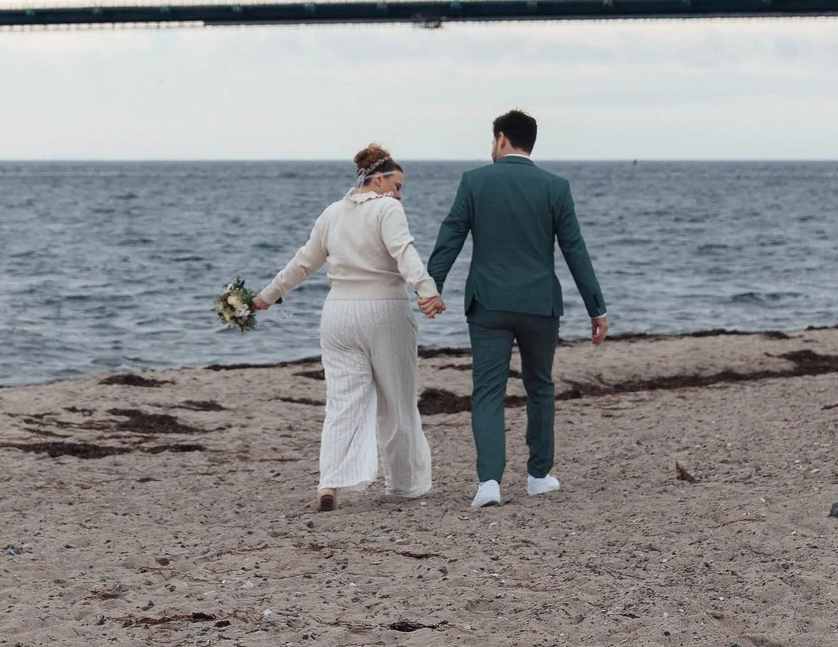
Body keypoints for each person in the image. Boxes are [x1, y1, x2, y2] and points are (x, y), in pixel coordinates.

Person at [426, 109, 609, 508]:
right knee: (540, 386)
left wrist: (430, 287)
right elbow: (574, 250)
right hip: (540, 305)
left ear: (502, 138)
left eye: (492, 141)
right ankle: (538, 477)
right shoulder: (555, 187)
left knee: (487, 391)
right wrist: (597, 309)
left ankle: (489, 483)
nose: (491, 148)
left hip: (488, 304)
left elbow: (450, 236)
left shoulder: (474, 182)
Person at [252, 143, 446, 511]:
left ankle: (330, 481)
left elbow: (302, 264)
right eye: (397, 185)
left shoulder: (332, 213)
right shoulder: (387, 209)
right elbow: (405, 252)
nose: (400, 194)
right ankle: (404, 483)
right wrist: (428, 292)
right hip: (384, 311)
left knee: (341, 402)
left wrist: (266, 296)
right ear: (377, 179)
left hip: (338, 314)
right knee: (397, 399)